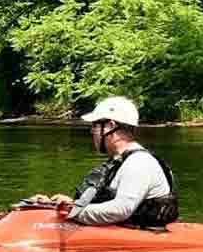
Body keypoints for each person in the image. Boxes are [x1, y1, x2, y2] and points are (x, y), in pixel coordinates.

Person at [32, 96, 178, 226]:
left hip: (142, 241)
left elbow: (120, 210)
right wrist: (60, 205)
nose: (92, 132)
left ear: (111, 126)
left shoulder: (139, 163)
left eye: (95, 125)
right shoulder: (119, 161)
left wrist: (72, 211)